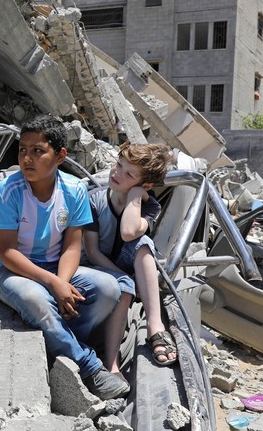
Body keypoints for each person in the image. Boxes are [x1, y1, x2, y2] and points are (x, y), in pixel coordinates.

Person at [0, 115, 126, 399]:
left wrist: (62, 283)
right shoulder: (10, 190)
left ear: (60, 155)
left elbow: (72, 247)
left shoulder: (74, 189)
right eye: (22, 150)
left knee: (109, 288)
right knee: (35, 298)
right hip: (12, 272)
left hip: (56, 268)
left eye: (38, 151)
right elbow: (7, 253)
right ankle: (89, 368)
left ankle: (60, 345)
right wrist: (54, 284)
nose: (27, 158)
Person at [81, 142, 175, 371]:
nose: (117, 173)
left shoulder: (149, 206)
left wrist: (134, 197)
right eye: (118, 165)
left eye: (129, 173)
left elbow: (129, 231)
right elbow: (92, 252)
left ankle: (155, 326)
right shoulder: (94, 199)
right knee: (125, 286)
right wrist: (127, 278)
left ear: (146, 185)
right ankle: (111, 364)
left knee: (143, 244)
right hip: (95, 264)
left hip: (123, 264)